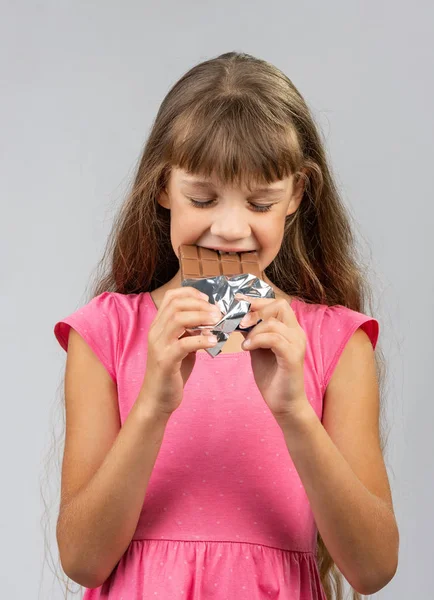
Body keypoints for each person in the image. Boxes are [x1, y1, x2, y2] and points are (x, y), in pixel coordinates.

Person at [52, 51, 399, 599]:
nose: (231, 228)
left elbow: (374, 569)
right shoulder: (106, 332)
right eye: (202, 198)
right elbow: (81, 560)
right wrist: (153, 406)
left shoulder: (337, 341)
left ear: (297, 197)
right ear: (162, 186)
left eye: (261, 202)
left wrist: (295, 413)